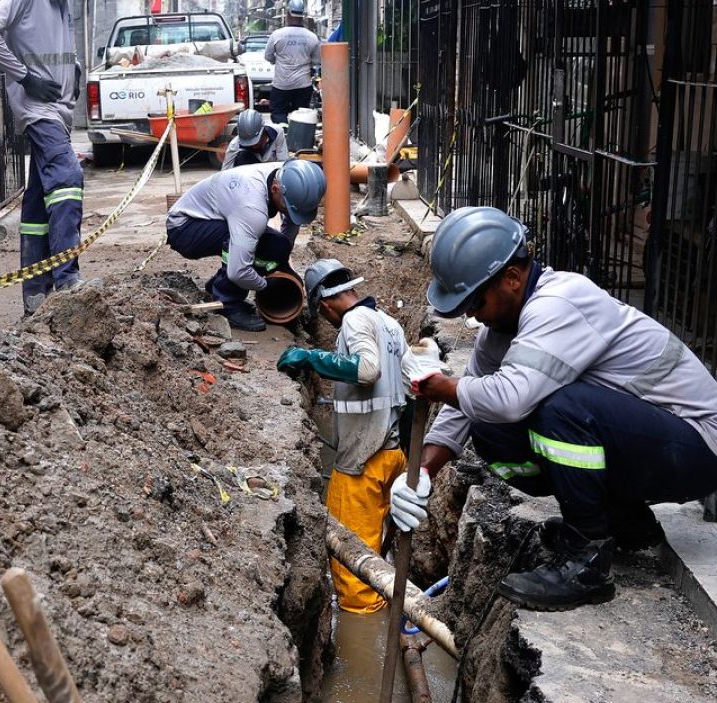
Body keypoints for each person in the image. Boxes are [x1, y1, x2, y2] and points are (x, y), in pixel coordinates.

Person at [390, 205, 717, 611]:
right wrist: (421, 472)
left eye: (475, 301)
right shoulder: (501, 331)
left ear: (512, 278)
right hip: (649, 445)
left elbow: (510, 398)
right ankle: (625, 522)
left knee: (559, 410)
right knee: (489, 429)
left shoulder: (560, 303)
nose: (471, 314)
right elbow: (466, 407)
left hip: (696, 445)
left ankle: (585, 559)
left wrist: (442, 387)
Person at [278, 260, 440, 612]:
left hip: (362, 461)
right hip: (393, 455)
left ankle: (362, 626)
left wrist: (311, 358)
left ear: (324, 304)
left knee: (354, 574)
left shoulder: (354, 320)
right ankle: (386, 602)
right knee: (376, 545)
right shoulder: (389, 323)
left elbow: (367, 370)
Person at [0, 0, 84, 314]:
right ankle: (67, 279)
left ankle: (35, 295)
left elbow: (58, 46)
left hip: (58, 112)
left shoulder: (63, 6)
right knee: (67, 179)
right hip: (39, 111)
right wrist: (24, 77)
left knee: (38, 204)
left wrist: (74, 68)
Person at [165, 159, 326, 332]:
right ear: (275, 189)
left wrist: (282, 263)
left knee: (276, 246)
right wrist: (266, 286)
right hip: (184, 228)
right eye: (287, 208)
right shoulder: (251, 208)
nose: (289, 212)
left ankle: (217, 285)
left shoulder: (288, 175)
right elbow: (239, 271)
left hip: (211, 218)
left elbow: (291, 222)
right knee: (249, 244)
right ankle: (228, 303)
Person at [264, 0, 321, 124]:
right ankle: (299, 136)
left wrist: (277, 61)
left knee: (279, 113)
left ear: (288, 14)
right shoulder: (312, 37)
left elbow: (268, 56)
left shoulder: (277, 35)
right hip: (303, 84)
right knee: (302, 116)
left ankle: (283, 132)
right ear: (302, 15)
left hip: (281, 84)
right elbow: (317, 60)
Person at [222, 109, 289, 170]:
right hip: (250, 169)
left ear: (263, 131)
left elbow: (282, 161)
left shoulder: (277, 132)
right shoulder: (235, 144)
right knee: (241, 156)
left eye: (255, 142)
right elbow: (225, 171)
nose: (253, 145)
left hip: (271, 170)